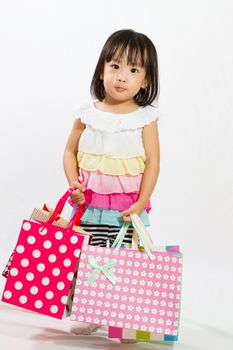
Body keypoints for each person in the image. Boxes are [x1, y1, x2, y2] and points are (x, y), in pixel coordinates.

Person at [63, 28, 160, 340]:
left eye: (133, 70)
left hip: (125, 209)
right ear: (102, 68)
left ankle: (122, 314)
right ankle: (92, 312)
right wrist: (73, 184)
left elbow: (153, 162)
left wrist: (141, 202)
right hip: (90, 205)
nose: (122, 76)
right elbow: (70, 151)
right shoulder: (88, 112)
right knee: (89, 257)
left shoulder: (145, 117)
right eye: (115, 66)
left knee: (122, 261)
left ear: (145, 80)